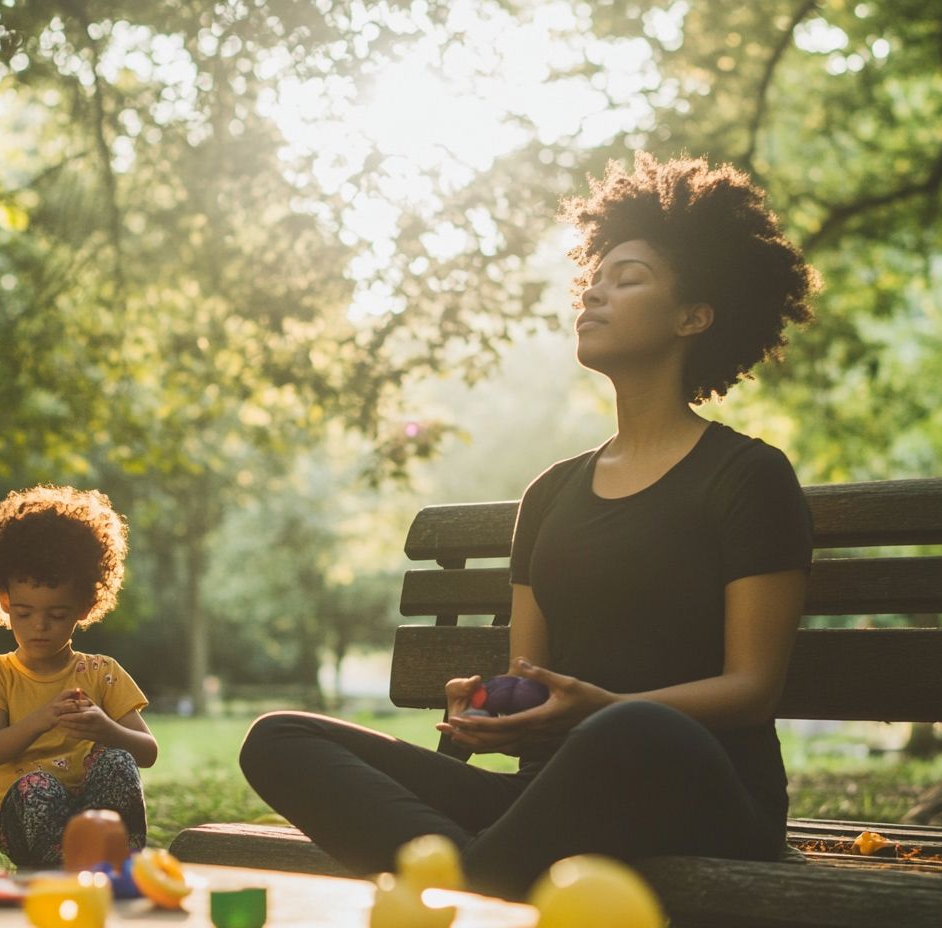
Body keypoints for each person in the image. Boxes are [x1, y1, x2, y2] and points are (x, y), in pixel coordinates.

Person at [239, 152, 818, 900]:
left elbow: (751, 688)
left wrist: (604, 709)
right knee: (281, 738)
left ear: (693, 316)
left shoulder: (748, 477)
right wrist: (483, 710)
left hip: (696, 788)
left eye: (629, 277)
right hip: (544, 797)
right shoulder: (549, 493)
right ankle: (483, 880)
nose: (596, 293)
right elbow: (527, 679)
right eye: (594, 279)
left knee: (632, 730)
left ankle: (460, 886)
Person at [0, 485, 158, 868]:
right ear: (4, 602)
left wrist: (106, 729)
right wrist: (44, 718)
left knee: (117, 760)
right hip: (21, 816)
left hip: (90, 817)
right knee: (39, 788)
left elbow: (147, 752)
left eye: (57, 614)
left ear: (84, 608)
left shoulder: (102, 673)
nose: (39, 627)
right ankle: (59, 869)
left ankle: (118, 862)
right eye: (25, 612)